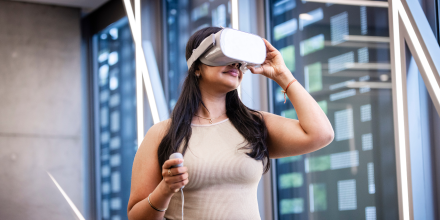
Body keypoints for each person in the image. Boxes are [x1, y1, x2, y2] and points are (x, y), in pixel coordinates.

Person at [127, 27, 334, 220]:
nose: (235, 64)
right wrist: (165, 189)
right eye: (225, 56)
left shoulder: (255, 125)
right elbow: (135, 215)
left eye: (238, 60)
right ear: (197, 67)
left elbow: (321, 134)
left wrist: (282, 74)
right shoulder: (162, 133)